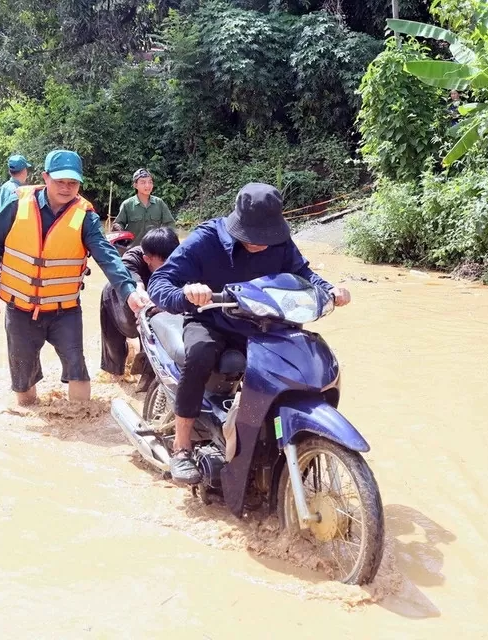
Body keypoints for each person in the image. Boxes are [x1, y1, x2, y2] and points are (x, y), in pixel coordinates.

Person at [148, 182, 351, 484]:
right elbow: (160, 282)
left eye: (266, 237)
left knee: (300, 356)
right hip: (213, 322)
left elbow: (303, 274)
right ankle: (182, 446)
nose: (260, 243)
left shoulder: (280, 242)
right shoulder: (206, 239)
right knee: (201, 352)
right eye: (252, 237)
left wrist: (329, 289)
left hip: (263, 325)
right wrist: (187, 293)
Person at [0, 149, 150, 406]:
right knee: (23, 387)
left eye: (73, 183)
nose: (66, 188)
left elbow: (107, 256)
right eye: (60, 181)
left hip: (64, 311)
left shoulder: (86, 217)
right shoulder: (17, 205)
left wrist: (129, 290)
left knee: (77, 369)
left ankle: (82, 422)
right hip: (20, 308)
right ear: (45, 177)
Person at [100, 226, 180, 378]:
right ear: (147, 259)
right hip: (117, 299)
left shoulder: (181, 257)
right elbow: (129, 274)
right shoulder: (134, 255)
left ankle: (148, 375)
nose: (171, 266)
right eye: (164, 263)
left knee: (155, 338)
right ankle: (115, 377)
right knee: (113, 346)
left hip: (151, 305)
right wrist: (141, 290)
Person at [112, 168, 175, 247]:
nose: (147, 185)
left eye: (150, 182)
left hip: (154, 251)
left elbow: (170, 224)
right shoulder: (127, 204)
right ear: (135, 185)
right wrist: (119, 229)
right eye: (143, 182)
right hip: (132, 250)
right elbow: (119, 223)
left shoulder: (159, 203)